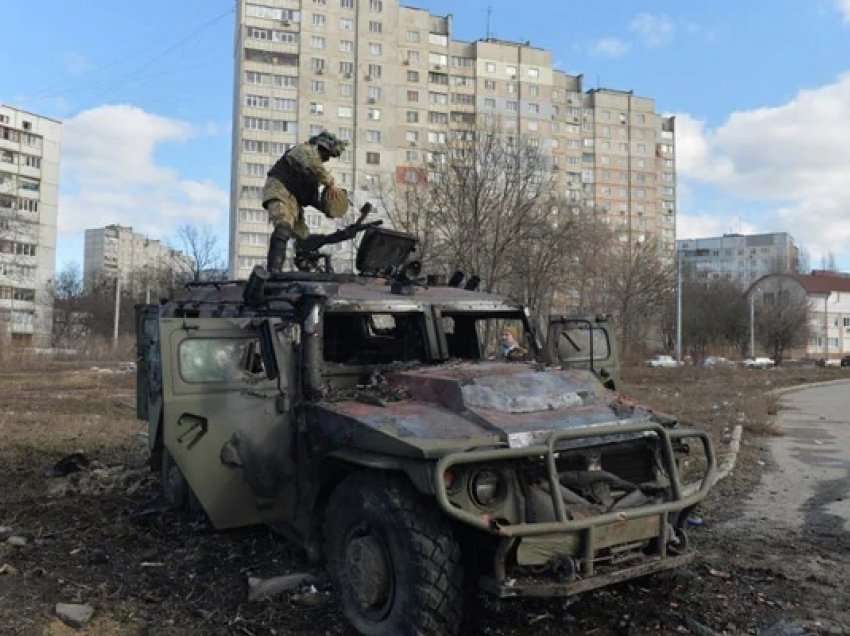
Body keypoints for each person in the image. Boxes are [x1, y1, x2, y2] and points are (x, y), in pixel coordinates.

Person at [262, 131, 348, 272]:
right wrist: (330, 183)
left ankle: (306, 266)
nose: (326, 159)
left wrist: (329, 208)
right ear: (320, 147)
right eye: (326, 155)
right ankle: (274, 271)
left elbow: (311, 199)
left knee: (304, 239)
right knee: (283, 226)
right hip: (279, 189)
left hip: (294, 202)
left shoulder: (312, 176)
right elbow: (313, 164)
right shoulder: (304, 150)